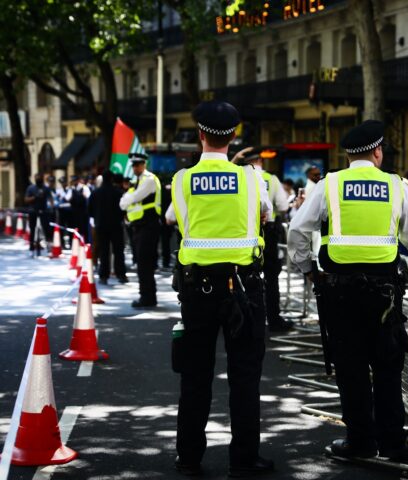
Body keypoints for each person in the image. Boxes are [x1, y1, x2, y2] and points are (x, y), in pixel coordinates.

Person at [288, 120, 408, 462]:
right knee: (387, 366)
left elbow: (297, 229)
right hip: (385, 294)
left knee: (350, 368)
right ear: (378, 152)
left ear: (348, 155)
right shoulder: (396, 186)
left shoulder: (330, 184)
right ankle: (394, 445)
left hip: (340, 293)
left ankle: (361, 442)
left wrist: (307, 267)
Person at [170, 100, 274, 477]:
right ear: (233, 137)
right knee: (245, 376)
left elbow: (173, 218)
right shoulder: (251, 178)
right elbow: (266, 213)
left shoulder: (181, 181)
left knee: (195, 376)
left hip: (198, 291)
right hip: (244, 288)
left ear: (200, 135)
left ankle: (188, 457)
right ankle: (244, 459)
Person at [241, 149, 293, 332]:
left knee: (247, 277)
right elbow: (283, 206)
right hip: (269, 233)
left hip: (246, 233)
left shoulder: (242, 178)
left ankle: (247, 319)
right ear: (260, 162)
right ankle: (273, 318)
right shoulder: (271, 179)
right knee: (271, 278)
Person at [119, 153, 161, 308]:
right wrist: (127, 199)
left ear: (144, 164)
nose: (135, 168)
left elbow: (131, 198)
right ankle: (147, 296)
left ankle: (148, 297)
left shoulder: (149, 180)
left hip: (148, 226)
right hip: (140, 227)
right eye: (133, 165)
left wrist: (128, 198)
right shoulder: (137, 181)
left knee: (145, 264)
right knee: (142, 263)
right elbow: (123, 202)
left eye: (138, 164)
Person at [89, 170, 127, 285]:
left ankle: (103, 276)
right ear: (112, 179)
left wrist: (97, 218)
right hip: (116, 225)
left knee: (104, 251)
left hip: (101, 225)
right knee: (118, 251)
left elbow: (90, 210)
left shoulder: (95, 193)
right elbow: (123, 209)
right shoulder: (118, 192)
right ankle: (121, 274)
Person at [24, 173, 54, 252]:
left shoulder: (46, 188)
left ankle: (48, 245)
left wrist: (51, 207)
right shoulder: (31, 188)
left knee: (46, 228)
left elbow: (51, 199)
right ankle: (31, 245)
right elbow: (26, 199)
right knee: (32, 228)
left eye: (39, 177)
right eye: (37, 178)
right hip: (33, 210)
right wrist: (35, 197)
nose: (38, 179)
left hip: (43, 211)